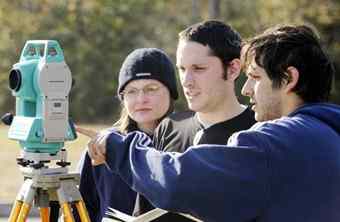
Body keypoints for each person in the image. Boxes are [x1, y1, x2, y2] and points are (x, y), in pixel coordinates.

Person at [80, 24, 340, 222]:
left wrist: (118, 148)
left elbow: (178, 181)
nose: (247, 89)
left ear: (288, 78)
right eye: (182, 69)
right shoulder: (328, 136)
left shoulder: (272, 145)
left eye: (256, 77)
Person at [77, 48, 179, 222]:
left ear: (171, 92)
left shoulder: (186, 142)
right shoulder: (102, 145)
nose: (141, 99)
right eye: (131, 91)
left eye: (151, 89)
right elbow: (81, 210)